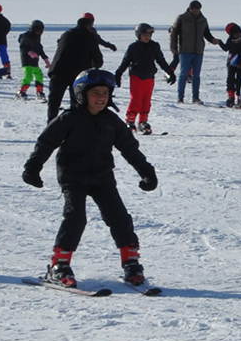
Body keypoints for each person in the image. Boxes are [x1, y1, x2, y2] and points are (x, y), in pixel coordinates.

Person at [23, 68, 158, 289]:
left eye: (105, 94)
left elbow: (129, 148)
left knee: (120, 218)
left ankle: (131, 263)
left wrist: (146, 172)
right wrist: (33, 167)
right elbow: (46, 142)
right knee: (76, 217)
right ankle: (59, 265)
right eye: (95, 93)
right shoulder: (69, 118)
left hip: (102, 177)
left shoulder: (111, 121)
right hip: (73, 176)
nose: (101, 98)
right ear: (81, 94)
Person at [46, 14, 118, 124]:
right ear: (90, 24)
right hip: (77, 74)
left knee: (54, 101)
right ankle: (74, 126)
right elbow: (98, 59)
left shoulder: (66, 34)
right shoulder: (89, 36)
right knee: (76, 103)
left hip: (58, 71)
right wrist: (94, 67)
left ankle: (51, 125)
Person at [114, 23, 176, 133]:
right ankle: (130, 121)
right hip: (136, 76)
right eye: (144, 34)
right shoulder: (133, 47)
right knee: (136, 99)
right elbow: (126, 62)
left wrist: (170, 73)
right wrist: (118, 74)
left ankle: (143, 121)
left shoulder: (154, 46)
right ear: (139, 35)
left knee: (146, 100)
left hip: (149, 77)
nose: (147, 37)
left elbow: (161, 61)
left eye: (149, 34)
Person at [170, 0, 222, 104]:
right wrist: (173, 46)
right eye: (194, 10)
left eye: (198, 10)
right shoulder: (182, 18)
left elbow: (206, 33)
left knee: (196, 75)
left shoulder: (203, 20)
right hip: (185, 50)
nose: (196, 12)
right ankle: (180, 98)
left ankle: (195, 97)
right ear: (190, 9)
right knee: (184, 74)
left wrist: (212, 40)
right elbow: (174, 32)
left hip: (198, 51)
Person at [220, 22, 241, 107]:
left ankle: (240, 96)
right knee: (230, 78)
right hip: (232, 61)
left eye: (239, 33)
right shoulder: (230, 40)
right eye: (236, 34)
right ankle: (231, 96)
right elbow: (226, 48)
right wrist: (219, 42)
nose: (238, 35)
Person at [16, 20, 49, 100]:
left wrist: (45, 59)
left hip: (34, 61)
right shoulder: (26, 37)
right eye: (37, 30)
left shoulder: (37, 38)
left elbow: (40, 48)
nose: (39, 32)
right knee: (29, 75)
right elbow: (23, 47)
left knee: (39, 75)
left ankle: (39, 92)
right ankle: (21, 92)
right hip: (26, 61)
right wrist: (29, 52)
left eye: (40, 31)